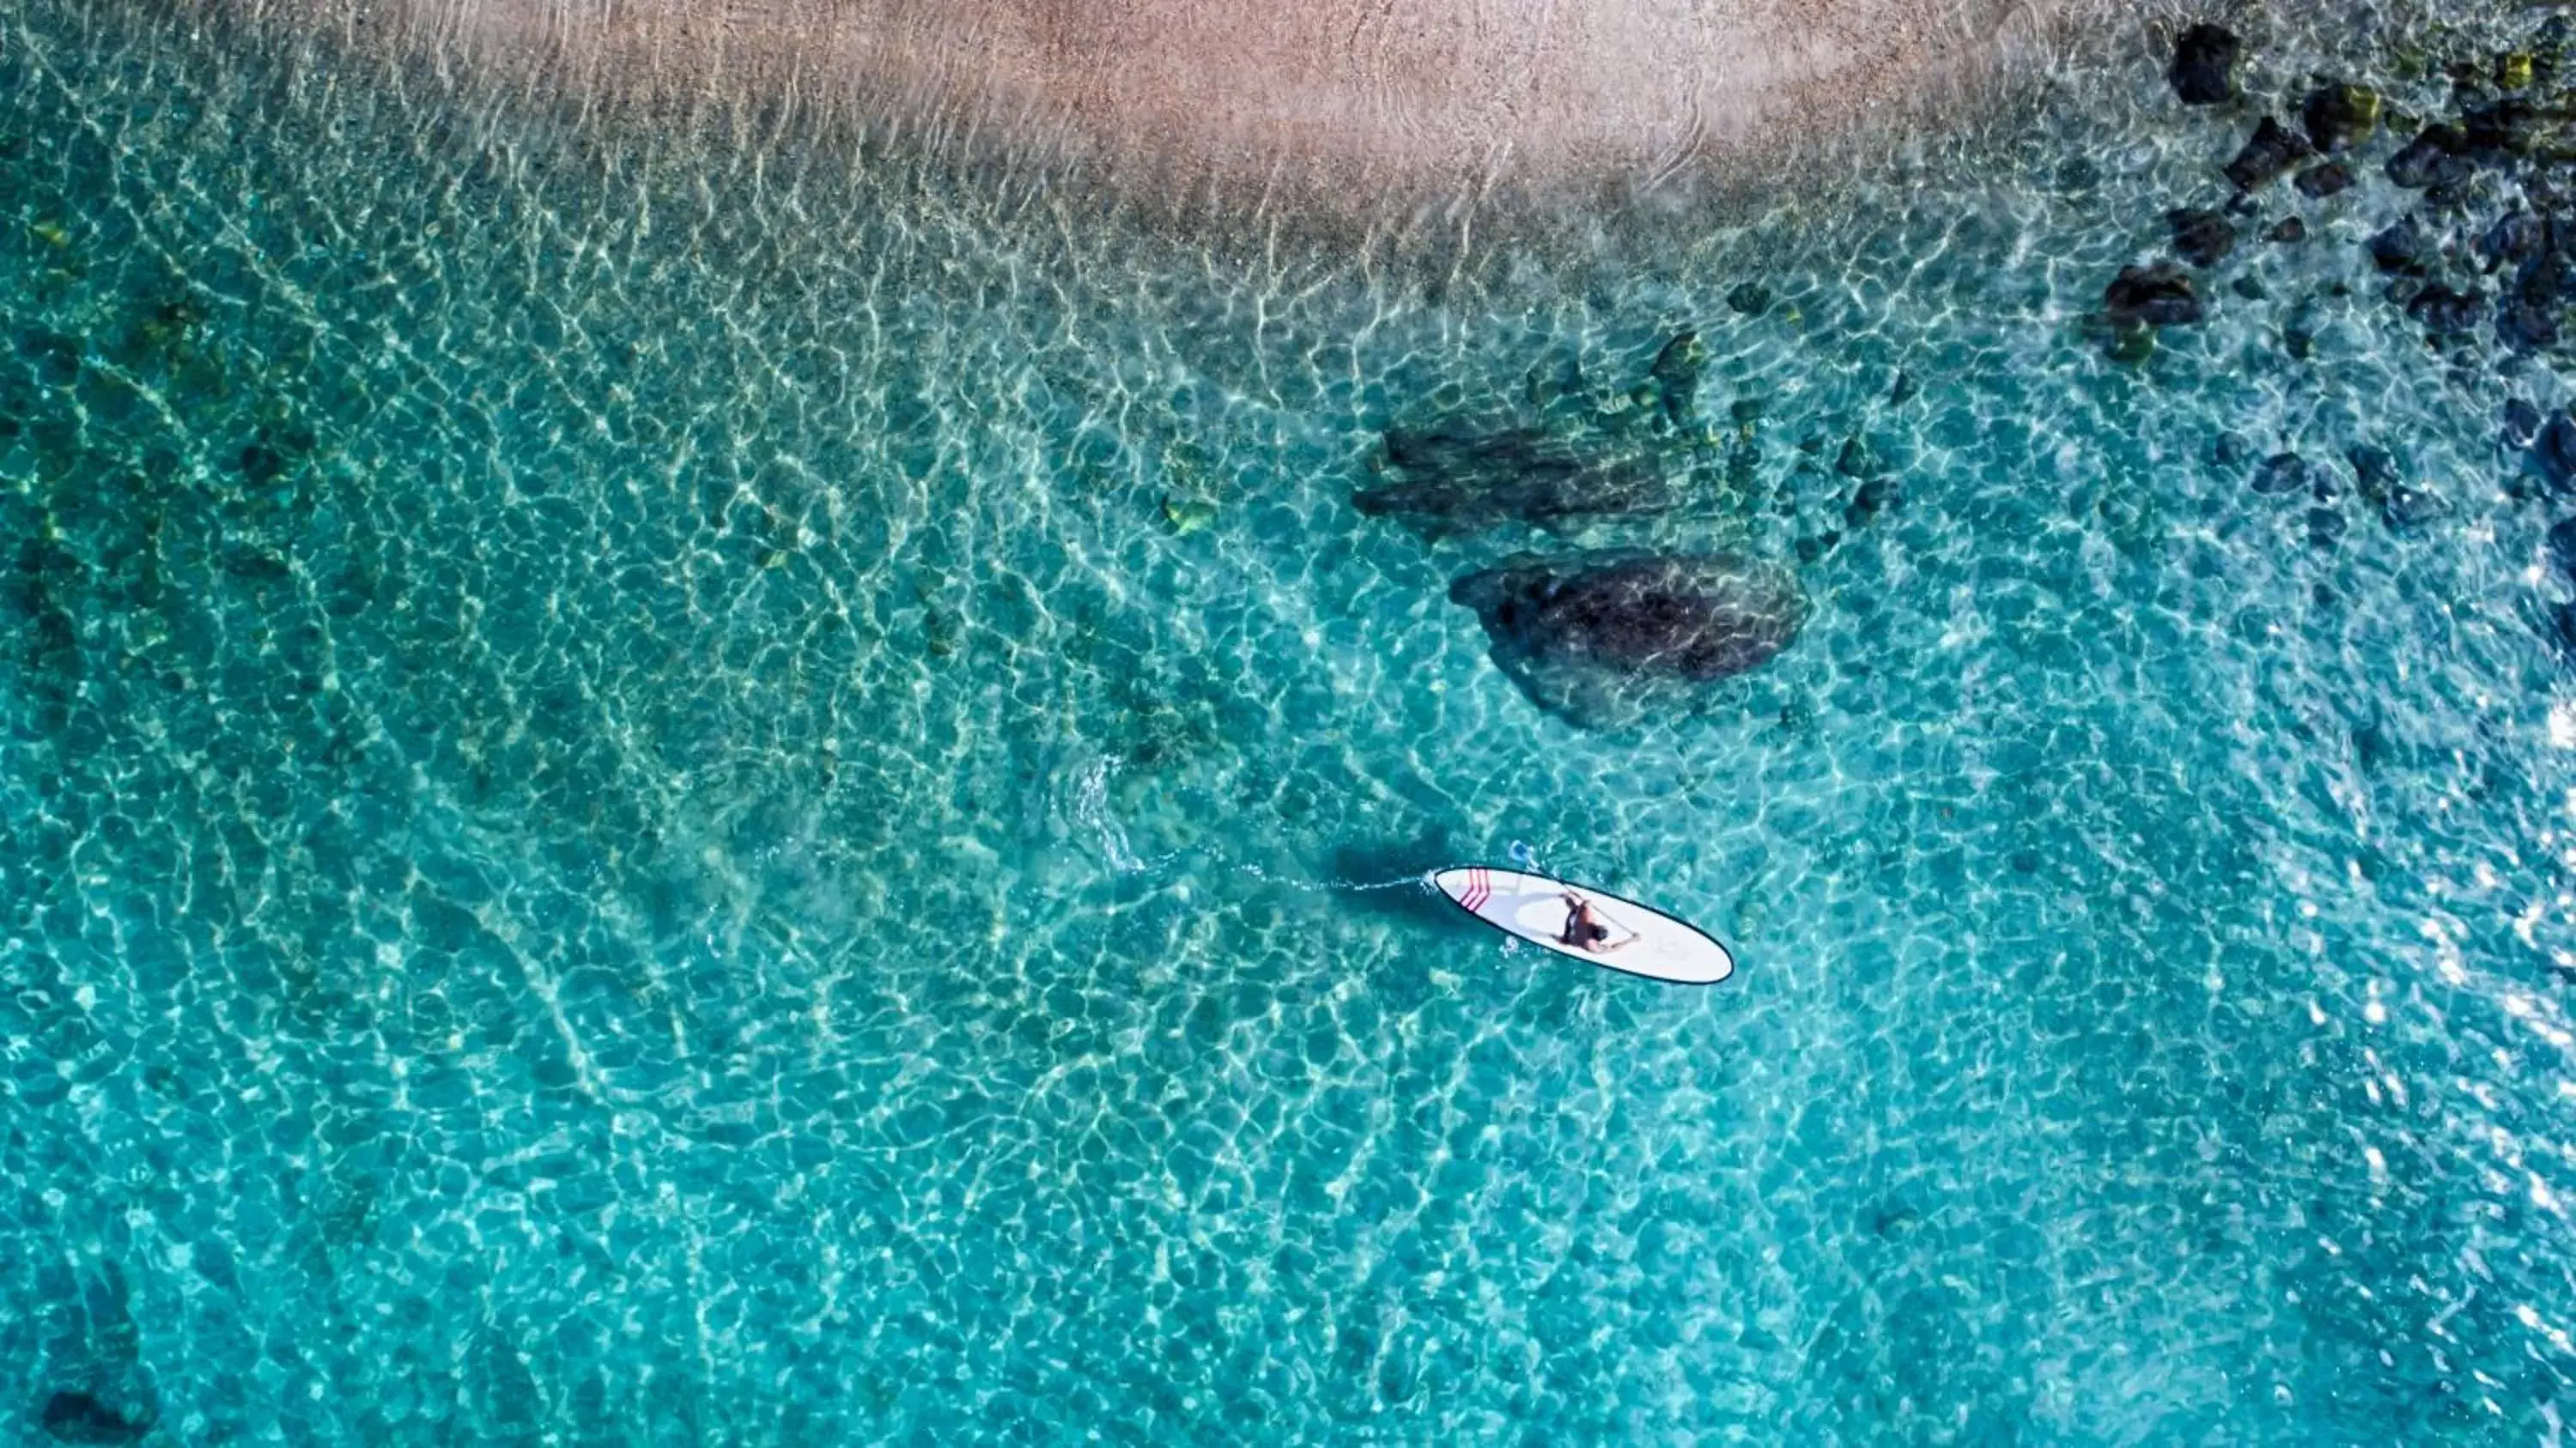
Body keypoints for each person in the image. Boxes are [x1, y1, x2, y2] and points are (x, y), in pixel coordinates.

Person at [1559, 891, 1631, 952]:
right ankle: (1554, 937)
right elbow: (1613, 948)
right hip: (1571, 936)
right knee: (1568, 941)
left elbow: (1585, 904)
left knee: (1575, 908)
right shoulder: (1592, 946)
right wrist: (1630, 940)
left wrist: (1587, 902)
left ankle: (1565, 896)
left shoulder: (1587, 919)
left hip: (1572, 924)